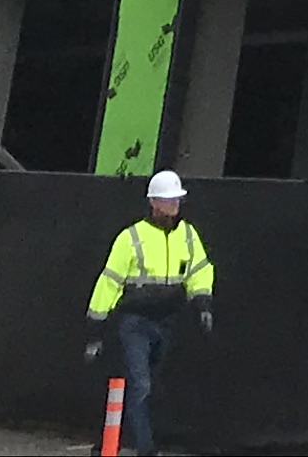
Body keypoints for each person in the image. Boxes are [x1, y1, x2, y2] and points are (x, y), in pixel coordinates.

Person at [83, 168, 217, 454]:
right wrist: (96, 325)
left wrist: (203, 301)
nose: (174, 205)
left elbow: (200, 270)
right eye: (168, 201)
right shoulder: (131, 238)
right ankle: (145, 449)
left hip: (167, 321)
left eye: (177, 200)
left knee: (146, 387)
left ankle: (108, 442)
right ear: (154, 203)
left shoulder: (188, 235)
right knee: (141, 385)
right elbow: (110, 282)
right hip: (135, 322)